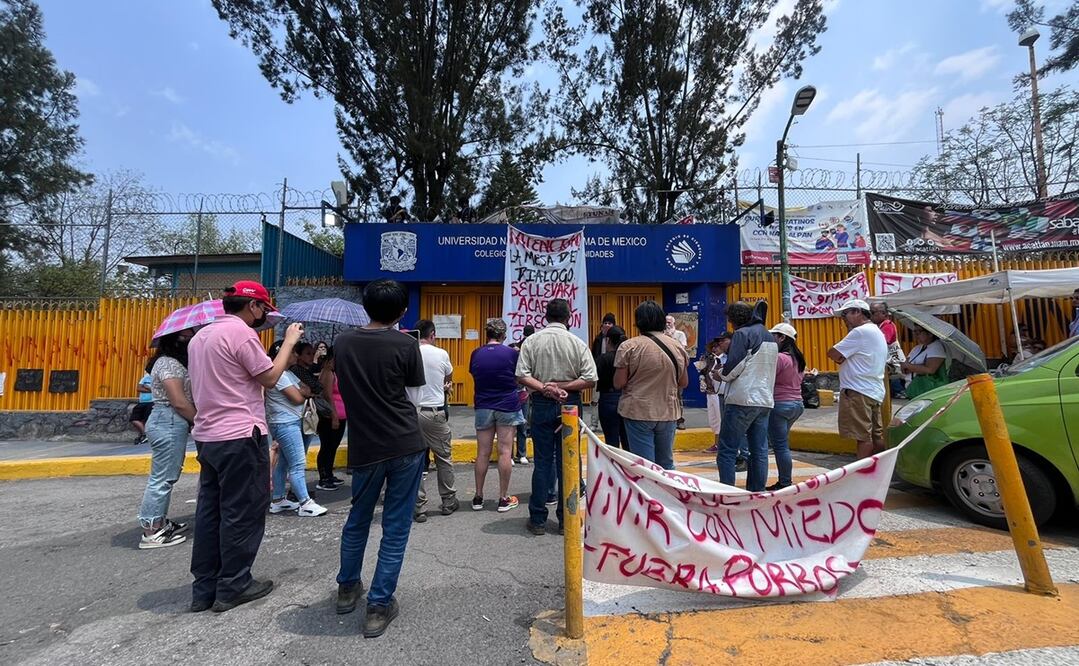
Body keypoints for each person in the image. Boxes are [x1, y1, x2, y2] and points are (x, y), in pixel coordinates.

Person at [187, 280, 304, 614]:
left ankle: (204, 588)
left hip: (208, 436)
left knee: (211, 512)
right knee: (243, 511)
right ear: (253, 306)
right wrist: (289, 343)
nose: (263, 317)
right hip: (240, 434)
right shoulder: (240, 334)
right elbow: (268, 377)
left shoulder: (200, 337)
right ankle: (234, 585)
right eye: (263, 310)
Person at [333, 279, 426, 638]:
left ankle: (347, 589)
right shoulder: (406, 344)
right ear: (402, 311)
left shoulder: (342, 342)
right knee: (396, 526)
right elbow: (414, 401)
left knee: (357, 518)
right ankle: (379, 604)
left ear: (365, 306)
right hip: (404, 443)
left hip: (365, 447)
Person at [516, 298, 597, 536]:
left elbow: (521, 375)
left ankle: (538, 519)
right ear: (568, 317)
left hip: (540, 404)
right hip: (570, 404)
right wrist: (564, 387)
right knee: (569, 463)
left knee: (542, 462)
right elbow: (590, 378)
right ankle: (566, 520)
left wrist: (545, 388)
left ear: (545, 317)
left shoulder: (532, 341)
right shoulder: (577, 343)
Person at [136, 329, 196, 549]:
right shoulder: (168, 363)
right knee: (162, 478)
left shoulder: (170, 362)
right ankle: (152, 531)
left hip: (169, 420)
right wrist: (198, 420)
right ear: (174, 340)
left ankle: (159, 521)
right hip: (168, 419)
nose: (189, 340)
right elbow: (179, 401)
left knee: (167, 475)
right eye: (185, 337)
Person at [615, 302, 689, 469]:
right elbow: (683, 382)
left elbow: (619, 383)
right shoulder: (677, 346)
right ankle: (668, 494)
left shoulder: (629, 346)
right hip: (668, 411)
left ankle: (648, 495)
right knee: (666, 464)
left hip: (638, 411)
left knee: (645, 466)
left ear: (638, 322)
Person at [717, 301, 777, 492]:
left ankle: (728, 492)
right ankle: (757, 491)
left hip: (742, 398)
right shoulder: (769, 335)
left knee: (727, 450)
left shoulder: (742, 334)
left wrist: (720, 374)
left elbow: (733, 367)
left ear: (734, 319)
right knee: (759, 451)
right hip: (765, 399)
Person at [265, 340, 328, 518]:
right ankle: (305, 503)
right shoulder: (279, 375)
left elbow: (308, 389)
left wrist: (303, 391)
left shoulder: (287, 374)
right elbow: (298, 398)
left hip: (290, 421)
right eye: (292, 352)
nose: (295, 355)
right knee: (297, 463)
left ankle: (278, 500)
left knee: (284, 462)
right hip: (286, 423)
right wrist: (302, 392)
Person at [469, 319, 523, 513]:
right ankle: (503, 497)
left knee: (482, 452)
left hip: (483, 405)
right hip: (507, 405)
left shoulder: (476, 353)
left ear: (487, 334)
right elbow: (518, 377)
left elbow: (474, 374)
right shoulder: (511, 353)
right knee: (505, 452)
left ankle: (478, 496)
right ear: (503, 335)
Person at [407, 319, 458, 522]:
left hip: (410, 413)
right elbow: (448, 376)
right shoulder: (441, 353)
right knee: (443, 457)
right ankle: (448, 501)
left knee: (416, 461)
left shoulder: (407, 352)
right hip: (434, 412)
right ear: (433, 334)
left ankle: (419, 507)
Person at [828, 298, 888, 459]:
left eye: (845, 314)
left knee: (863, 437)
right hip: (873, 390)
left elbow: (833, 353)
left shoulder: (860, 332)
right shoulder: (875, 331)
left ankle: (860, 474)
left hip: (858, 390)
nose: (844, 319)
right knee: (876, 436)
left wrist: (842, 357)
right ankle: (877, 470)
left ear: (857, 312)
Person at [767, 323, 805, 491]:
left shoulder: (780, 358)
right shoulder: (798, 358)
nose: (771, 339)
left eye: (774, 336)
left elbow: (768, 378)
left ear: (782, 338)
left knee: (780, 446)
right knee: (781, 442)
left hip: (780, 404)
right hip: (796, 404)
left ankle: (784, 482)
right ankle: (785, 480)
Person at [316, 349, 347, 491]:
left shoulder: (334, 373)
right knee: (327, 447)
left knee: (333, 446)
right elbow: (328, 396)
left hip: (341, 416)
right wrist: (334, 415)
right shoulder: (327, 373)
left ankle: (329, 473)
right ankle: (324, 477)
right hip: (330, 417)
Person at [595, 325, 628, 450]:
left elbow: (593, 377)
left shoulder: (603, 359)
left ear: (608, 340)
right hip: (626, 397)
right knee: (628, 441)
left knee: (611, 442)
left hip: (607, 399)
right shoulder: (629, 357)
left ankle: (613, 468)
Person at [698, 333, 731, 454]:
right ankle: (717, 443)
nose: (714, 349)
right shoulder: (709, 359)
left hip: (720, 393)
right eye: (713, 347)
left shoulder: (726, 358)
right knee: (713, 419)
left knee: (721, 419)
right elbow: (704, 371)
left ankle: (720, 444)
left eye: (716, 346)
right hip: (710, 392)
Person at [870, 302, 905, 398]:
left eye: (873, 312)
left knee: (895, 377)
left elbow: (882, 342)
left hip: (892, 359)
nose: (870, 316)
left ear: (884, 314)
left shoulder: (888, 325)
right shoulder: (880, 325)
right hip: (891, 358)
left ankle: (899, 391)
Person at [901, 328, 949, 398]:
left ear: (930, 334)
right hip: (913, 389)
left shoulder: (937, 347)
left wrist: (910, 366)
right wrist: (920, 367)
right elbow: (904, 368)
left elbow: (930, 370)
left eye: (919, 331)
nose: (916, 334)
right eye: (915, 331)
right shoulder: (916, 348)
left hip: (928, 390)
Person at [512, 325, 535, 464]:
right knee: (514, 425)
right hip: (516, 392)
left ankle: (521, 453)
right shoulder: (515, 349)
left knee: (522, 424)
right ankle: (516, 455)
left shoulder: (531, 349)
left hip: (524, 392)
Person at [664, 315, 689, 429]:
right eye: (666, 322)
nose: (667, 324)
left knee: (678, 395)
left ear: (674, 323)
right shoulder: (661, 335)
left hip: (677, 369)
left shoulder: (680, 334)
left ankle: (679, 419)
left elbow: (682, 349)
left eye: (669, 322)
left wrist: (670, 339)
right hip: (664, 368)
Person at [131, 372, 154, 446]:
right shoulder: (145, 377)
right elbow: (139, 388)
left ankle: (144, 436)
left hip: (152, 402)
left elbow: (159, 390)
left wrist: (148, 388)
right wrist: (151, 390)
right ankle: (145, 435)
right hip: (142, 402)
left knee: (147, 420)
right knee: (134, 419)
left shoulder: (158, 377)